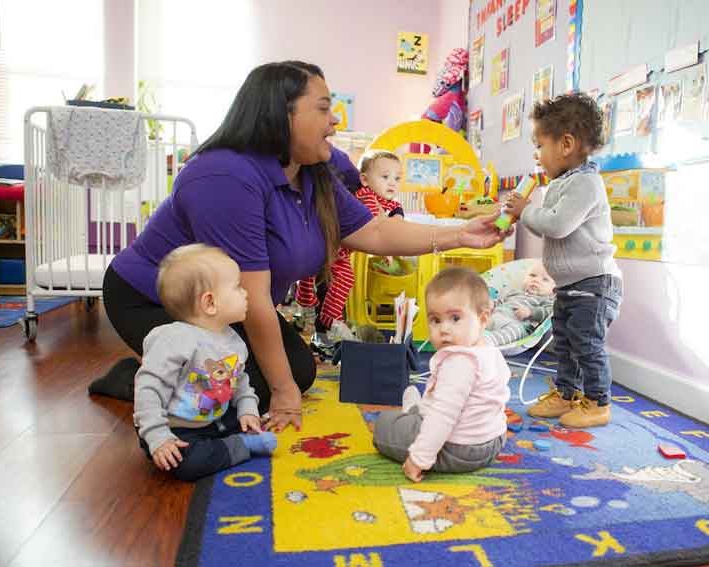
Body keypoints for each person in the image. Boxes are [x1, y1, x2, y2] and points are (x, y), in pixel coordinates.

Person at [90, 60, 510, 432]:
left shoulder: (311, 173)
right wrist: (284, 394)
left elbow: (376, 232)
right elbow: (255, 298)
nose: (335, 121)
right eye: (323, 108)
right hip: (156, 299)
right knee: (236, 390)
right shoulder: (225, 177)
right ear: (280, 114)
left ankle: (162, 372)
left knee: (298, 370)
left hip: (227, 305)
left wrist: (460, 233)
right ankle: (146, 378)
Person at [504, 93, 623, 428]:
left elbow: (557, 225)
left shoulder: (585, 183)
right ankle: (567, 393)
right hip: (571, 284)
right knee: (565, 341)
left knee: (586, 343)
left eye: (540, 144)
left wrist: (525, 211)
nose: (536, 154)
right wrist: (524, 213)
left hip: (595, 284)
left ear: (566, 144)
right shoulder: (563, 183)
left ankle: (598, 401)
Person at [133, 244, 276, 482]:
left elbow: (240, 382)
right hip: (175, 428)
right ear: (210, 303)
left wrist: (247, 411)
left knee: (252, 415)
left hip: (213, 419)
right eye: (238, 287)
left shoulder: (233, 340)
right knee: (188, 465)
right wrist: (158, 436)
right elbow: (148, 389)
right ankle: (242, 446)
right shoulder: (174, 340)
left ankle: (235, 439)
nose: (246, 293)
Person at [372, 267, 510, 482]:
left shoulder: (459, 362)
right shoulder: (489, 351)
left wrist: (419, 458)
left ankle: (413, 413)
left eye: (455, 318)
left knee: (384, 425)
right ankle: (416, 411)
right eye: (435, 320)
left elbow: (444, 415)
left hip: (460, 450)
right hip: (493, 440)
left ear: (483, 319)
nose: (443, 329)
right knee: (429, 408)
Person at [295, 150, 404, 338]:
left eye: (397, 178)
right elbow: (376, 227)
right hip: (330, 242)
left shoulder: (387, 202)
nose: (392, 182)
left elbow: (396, 215)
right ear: (365, 180)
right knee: (326, 274)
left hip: (339, 249)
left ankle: (321, 312)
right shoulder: (366, 196)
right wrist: (389, 245)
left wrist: (398, 219)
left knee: (337, 278)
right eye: (385, 177)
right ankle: (319, 312)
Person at [484, 260, 555, 347]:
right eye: (532, 275)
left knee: (515, 330)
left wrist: (531, 313)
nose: (536, 280)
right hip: (496, 317)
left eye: (545, 280)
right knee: (479, 318)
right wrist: (491, 304)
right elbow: (500, 301)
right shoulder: (514, 292)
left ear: (554, 289)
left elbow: (548, 313)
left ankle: (489, 341)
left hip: (519, 326)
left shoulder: (547, 300)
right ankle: (471, 336)